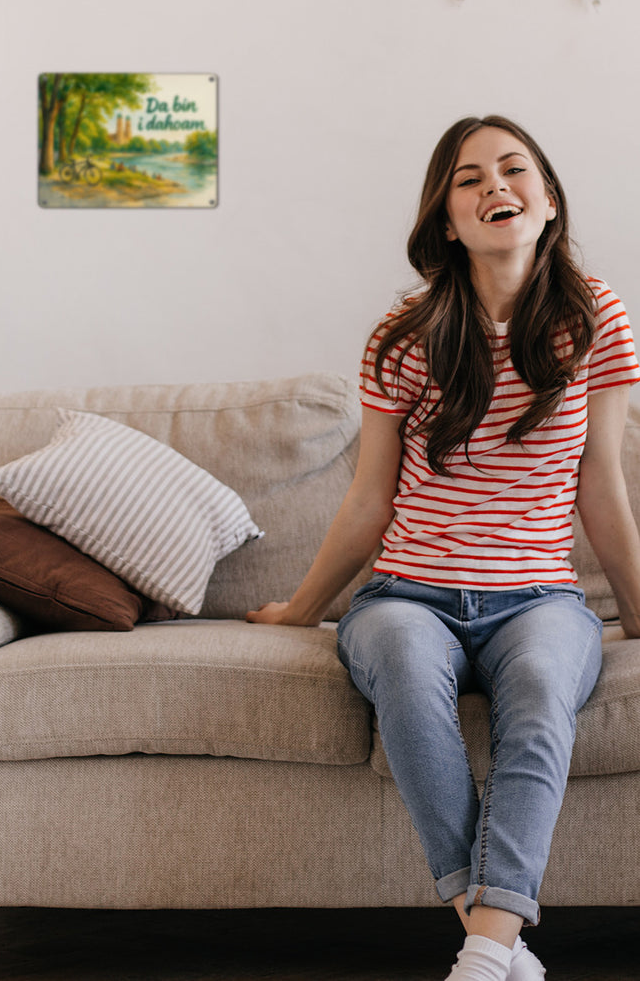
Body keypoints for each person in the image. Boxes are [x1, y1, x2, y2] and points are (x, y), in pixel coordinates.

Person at [247, 115, 640, 981]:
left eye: (513, 170)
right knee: (402, 671)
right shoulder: (404, 334)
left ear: (547, 204)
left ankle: (484, 952)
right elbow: (369, 499)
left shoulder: (596, 318)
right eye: (469, 178)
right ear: (447, 220)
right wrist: (303, 610)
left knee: (541, 688)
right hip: (405, 595)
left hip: (539, 600)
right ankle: (497, 943)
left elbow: (600, 485)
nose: (494, 186)